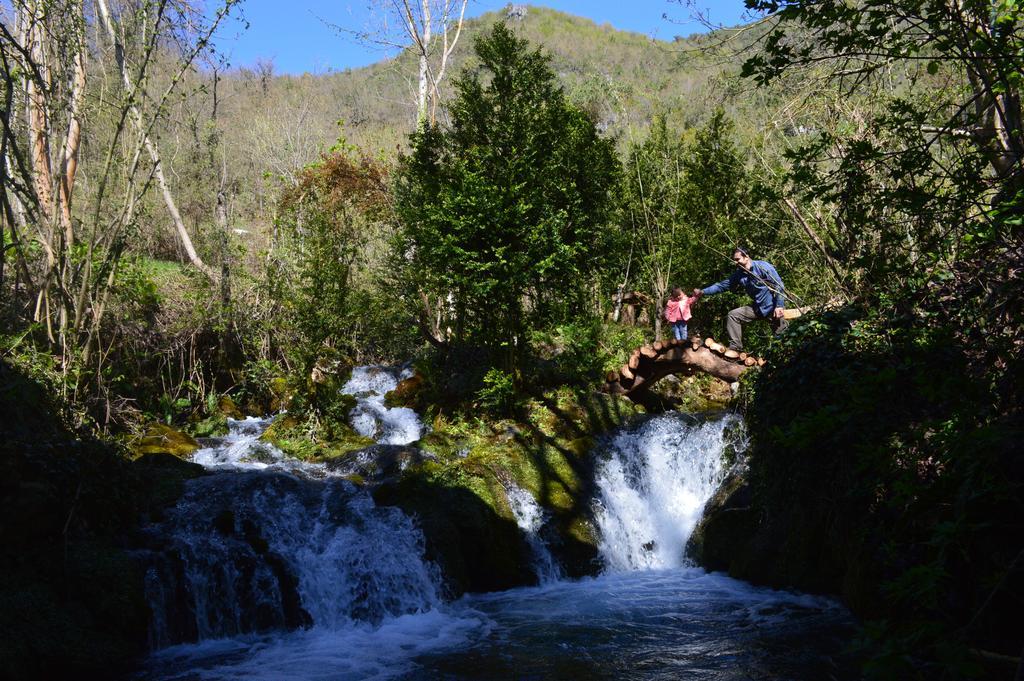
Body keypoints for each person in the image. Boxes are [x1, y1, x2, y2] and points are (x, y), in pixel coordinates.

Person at [694, 246, 787, 351]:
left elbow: (779, 285)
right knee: (733, 315)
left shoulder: (763, 267)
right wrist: (703, 291)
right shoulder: (739, 275)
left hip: (773, 308)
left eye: (737, 259)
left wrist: (779, 306)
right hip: (758, 309)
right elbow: (722, 286)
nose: (735, 262)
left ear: (746, 257)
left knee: (782, 339)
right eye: (734, 260)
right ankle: (736, 347)